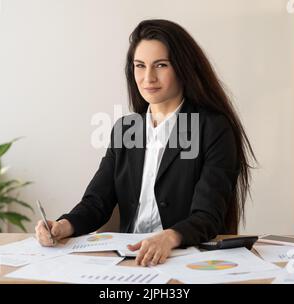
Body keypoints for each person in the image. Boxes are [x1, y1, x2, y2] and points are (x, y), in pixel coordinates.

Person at [35, 19, 256, 267]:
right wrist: (64, 225)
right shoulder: (126, 128)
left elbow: (207, 216)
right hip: (131, 259)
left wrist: (168, 238)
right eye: (140, 66)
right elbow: (97, 202)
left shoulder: (213, 128)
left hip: (185, 259)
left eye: (160, 65)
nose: (148, 77)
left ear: (183, 68)